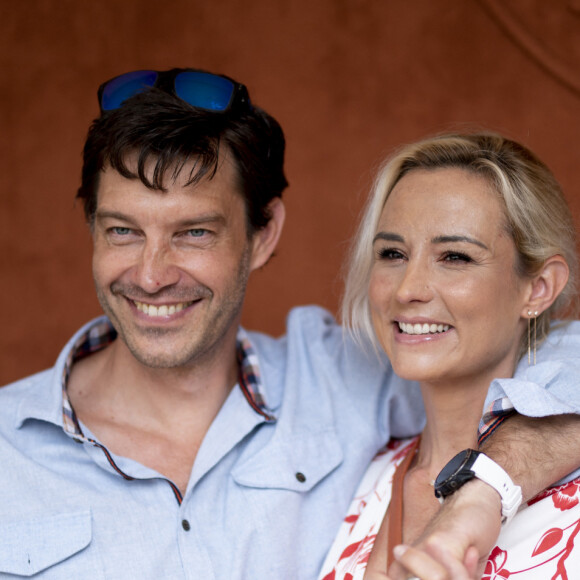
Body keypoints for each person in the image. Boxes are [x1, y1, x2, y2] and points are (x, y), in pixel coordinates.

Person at [0, 70, 579, 579]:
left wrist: (484, 492)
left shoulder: (344, 379)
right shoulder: (8, 449)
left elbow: (549, 354)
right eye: (122, 231)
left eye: (194, 233)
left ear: (263, 233)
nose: (151, 276)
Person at [319, 132, 580, 580]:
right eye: (392, 254)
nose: (407, 289)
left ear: (538, 288)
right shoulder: (357, 477)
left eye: (455, 257)